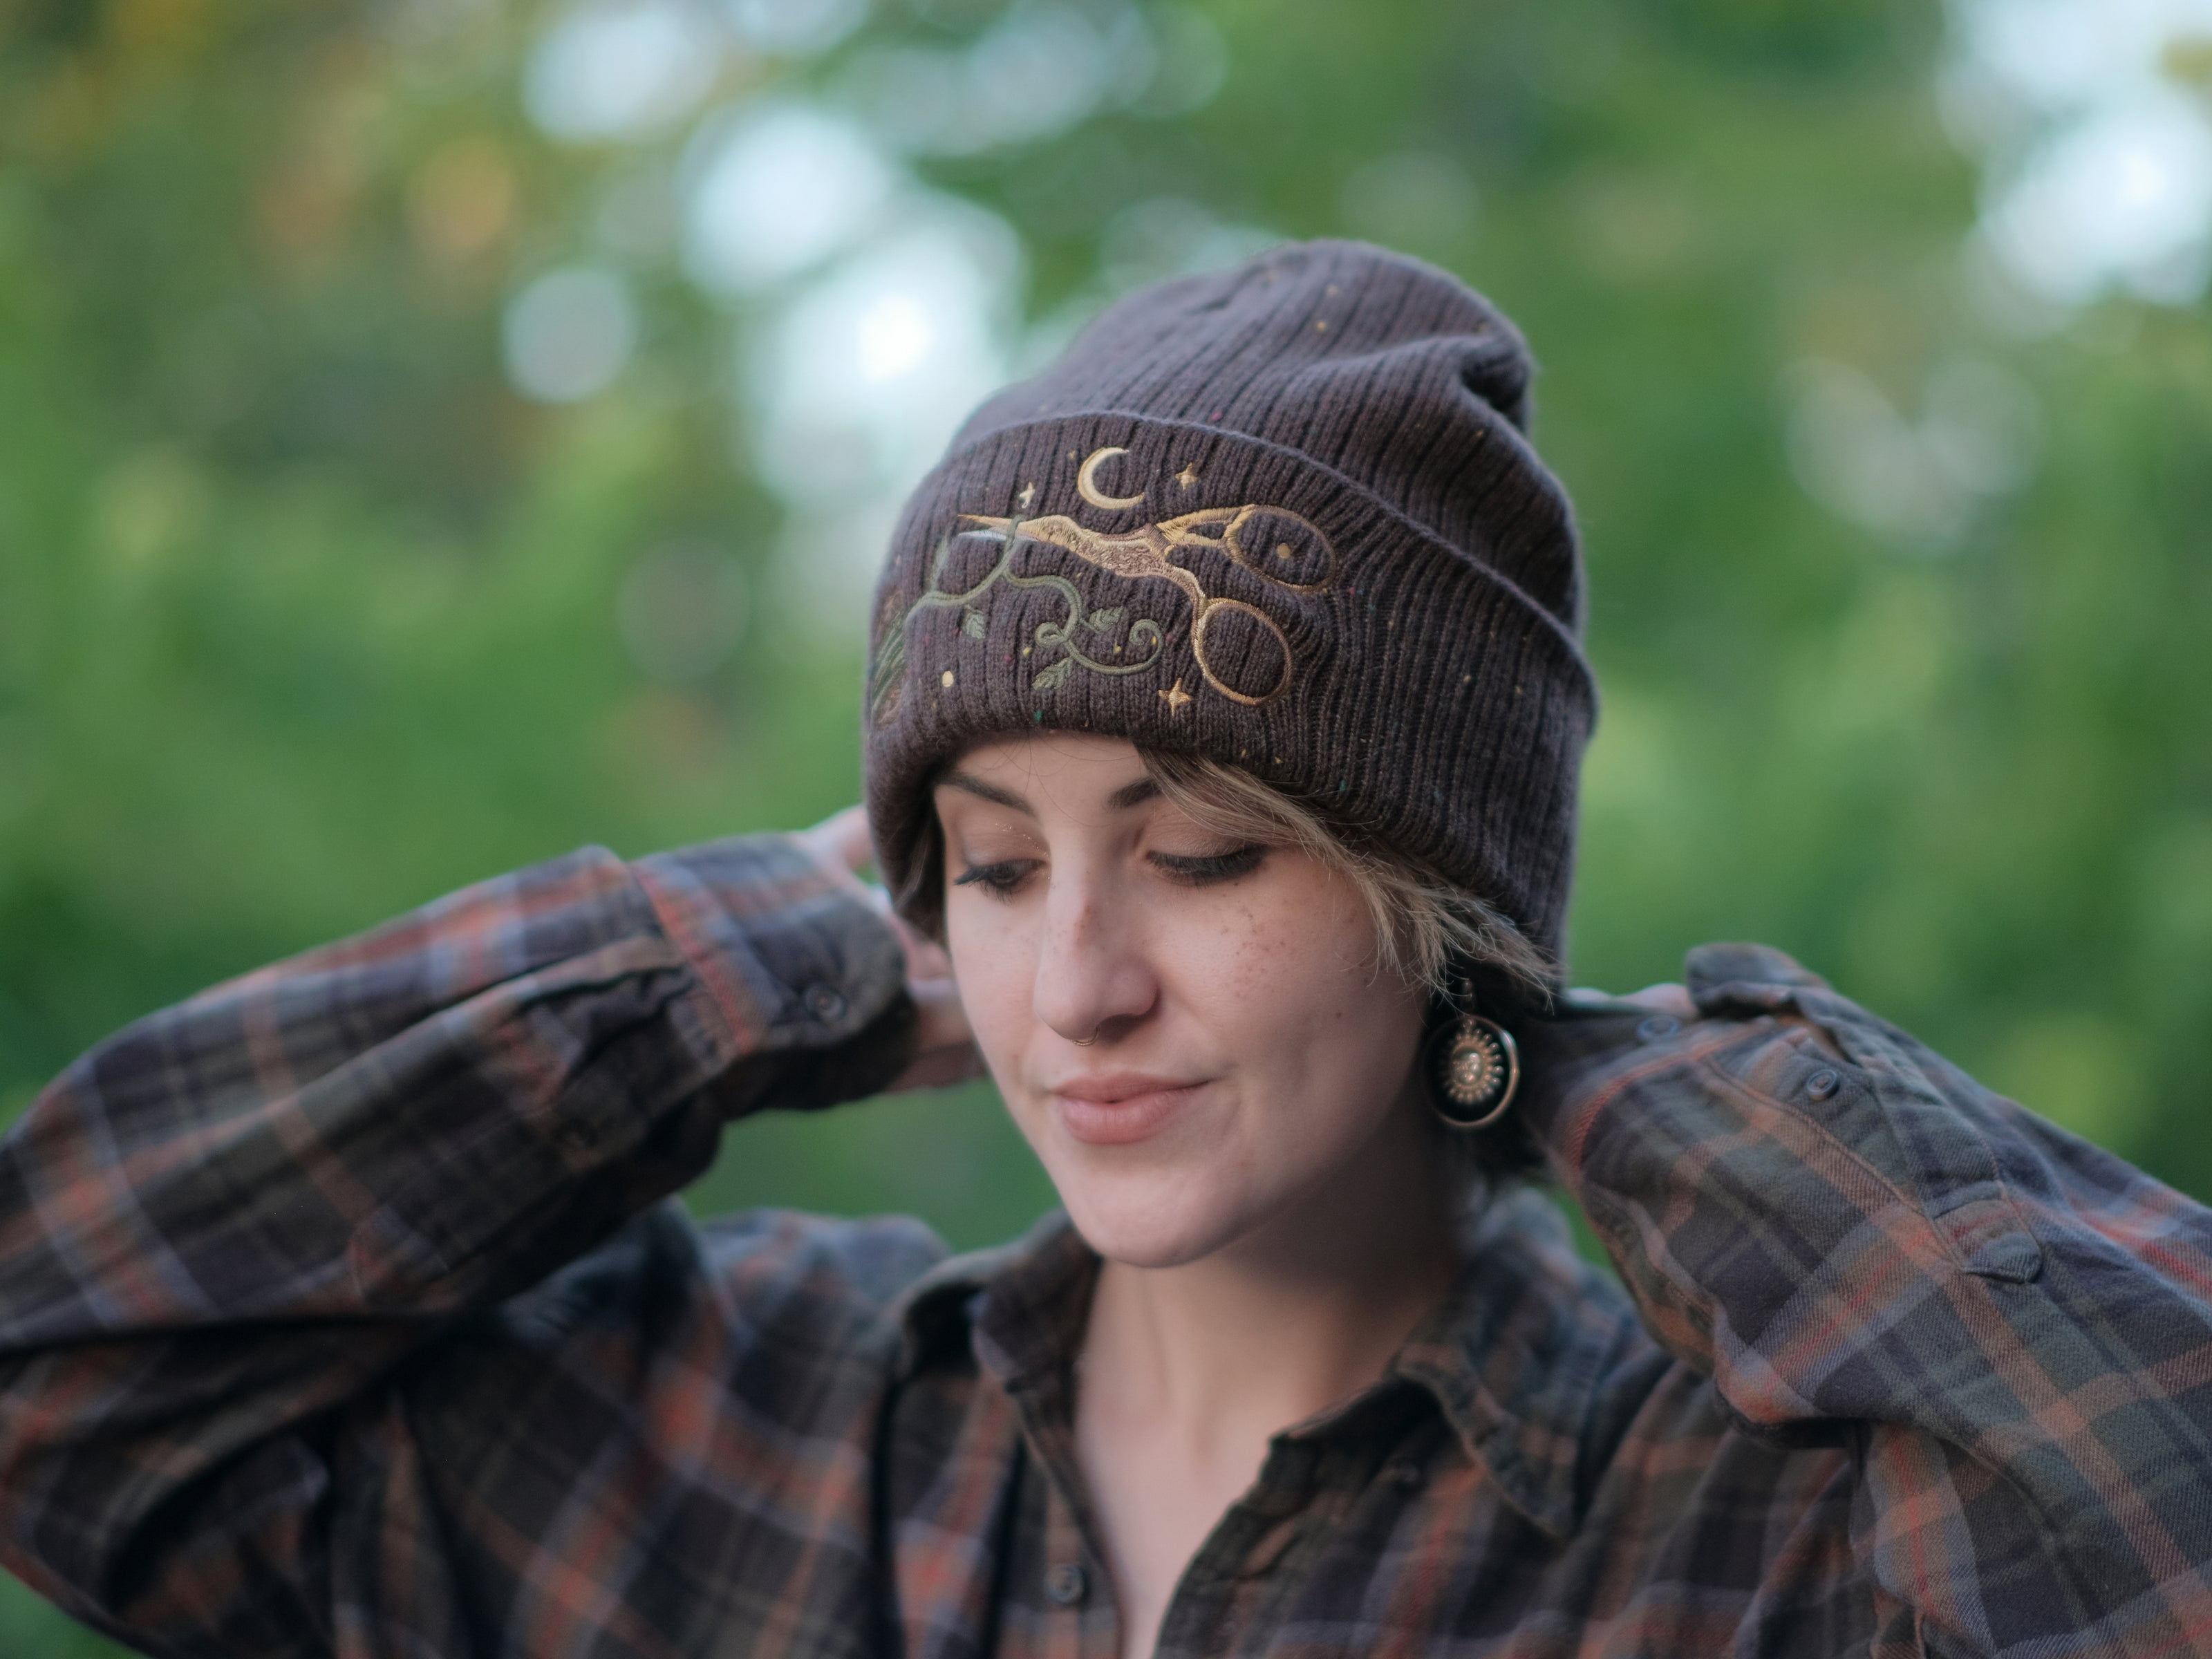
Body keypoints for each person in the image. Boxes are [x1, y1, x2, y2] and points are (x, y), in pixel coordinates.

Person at [2, 241, 2209, 1659]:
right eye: (989, 865)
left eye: (1207, 858)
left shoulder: (1746, 1550)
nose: (1075, 987)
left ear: (1441, 904)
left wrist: (1592, 1070)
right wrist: (751, 963)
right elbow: (54, 1357)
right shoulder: (728, 1427)